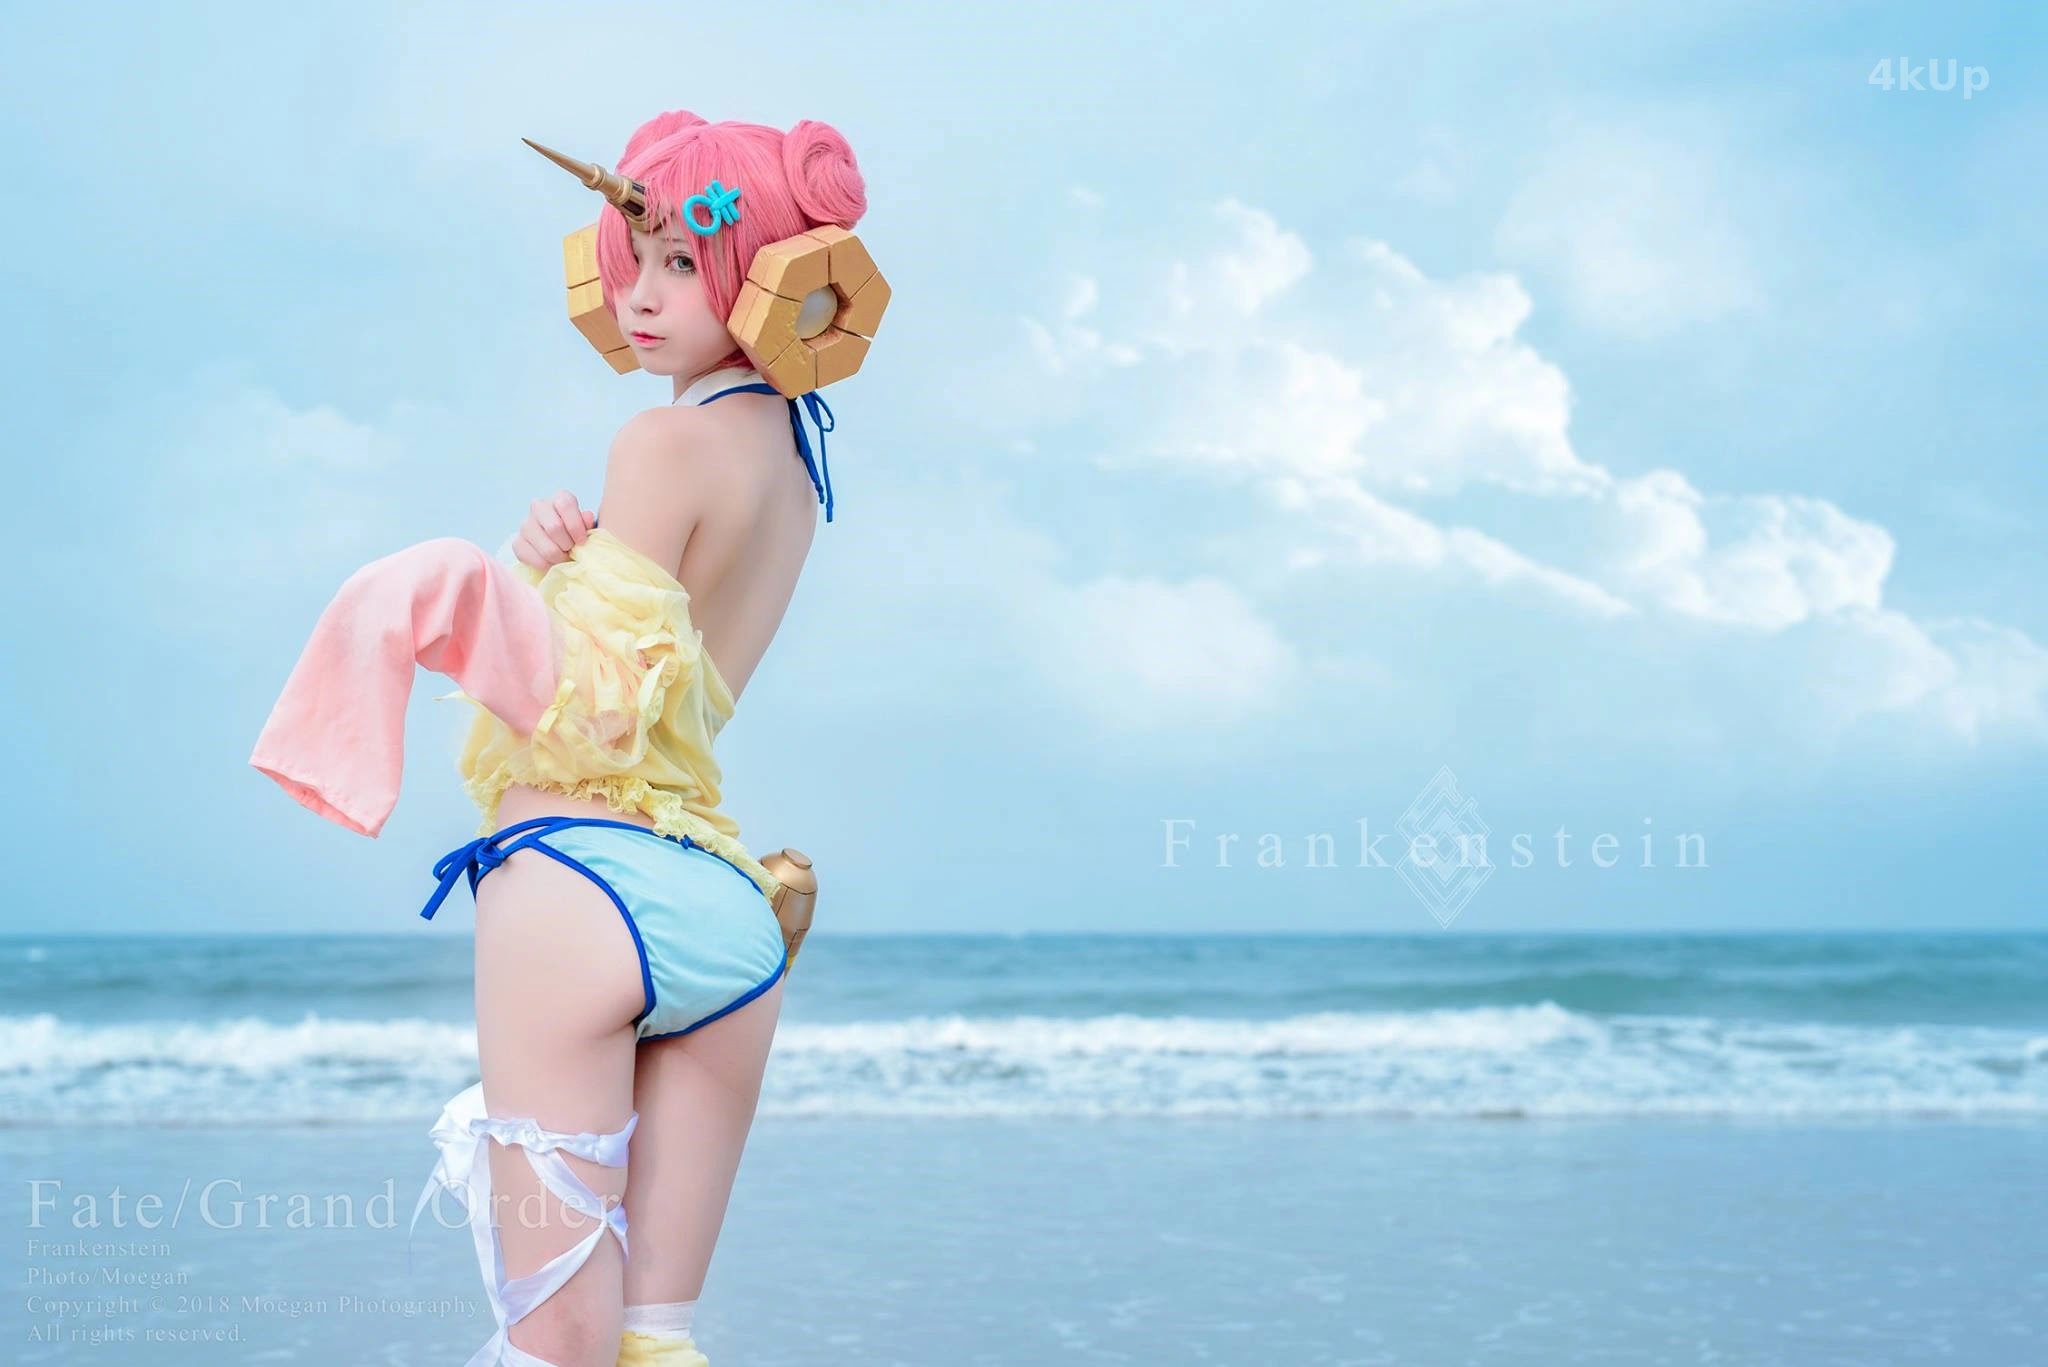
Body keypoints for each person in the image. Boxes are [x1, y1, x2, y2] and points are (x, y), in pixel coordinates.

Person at [248, 111, 870, 1367]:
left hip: (580, 886)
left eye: (684, 262)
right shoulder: (795, 473)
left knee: (555, 1346)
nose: (642, 295)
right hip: (727, 918)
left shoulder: (660, 439)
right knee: (653, 1342)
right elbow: (668, 682)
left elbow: (599, 709)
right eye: (634, 258)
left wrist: (463, 585)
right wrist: (549, 569)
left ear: (773, 274)